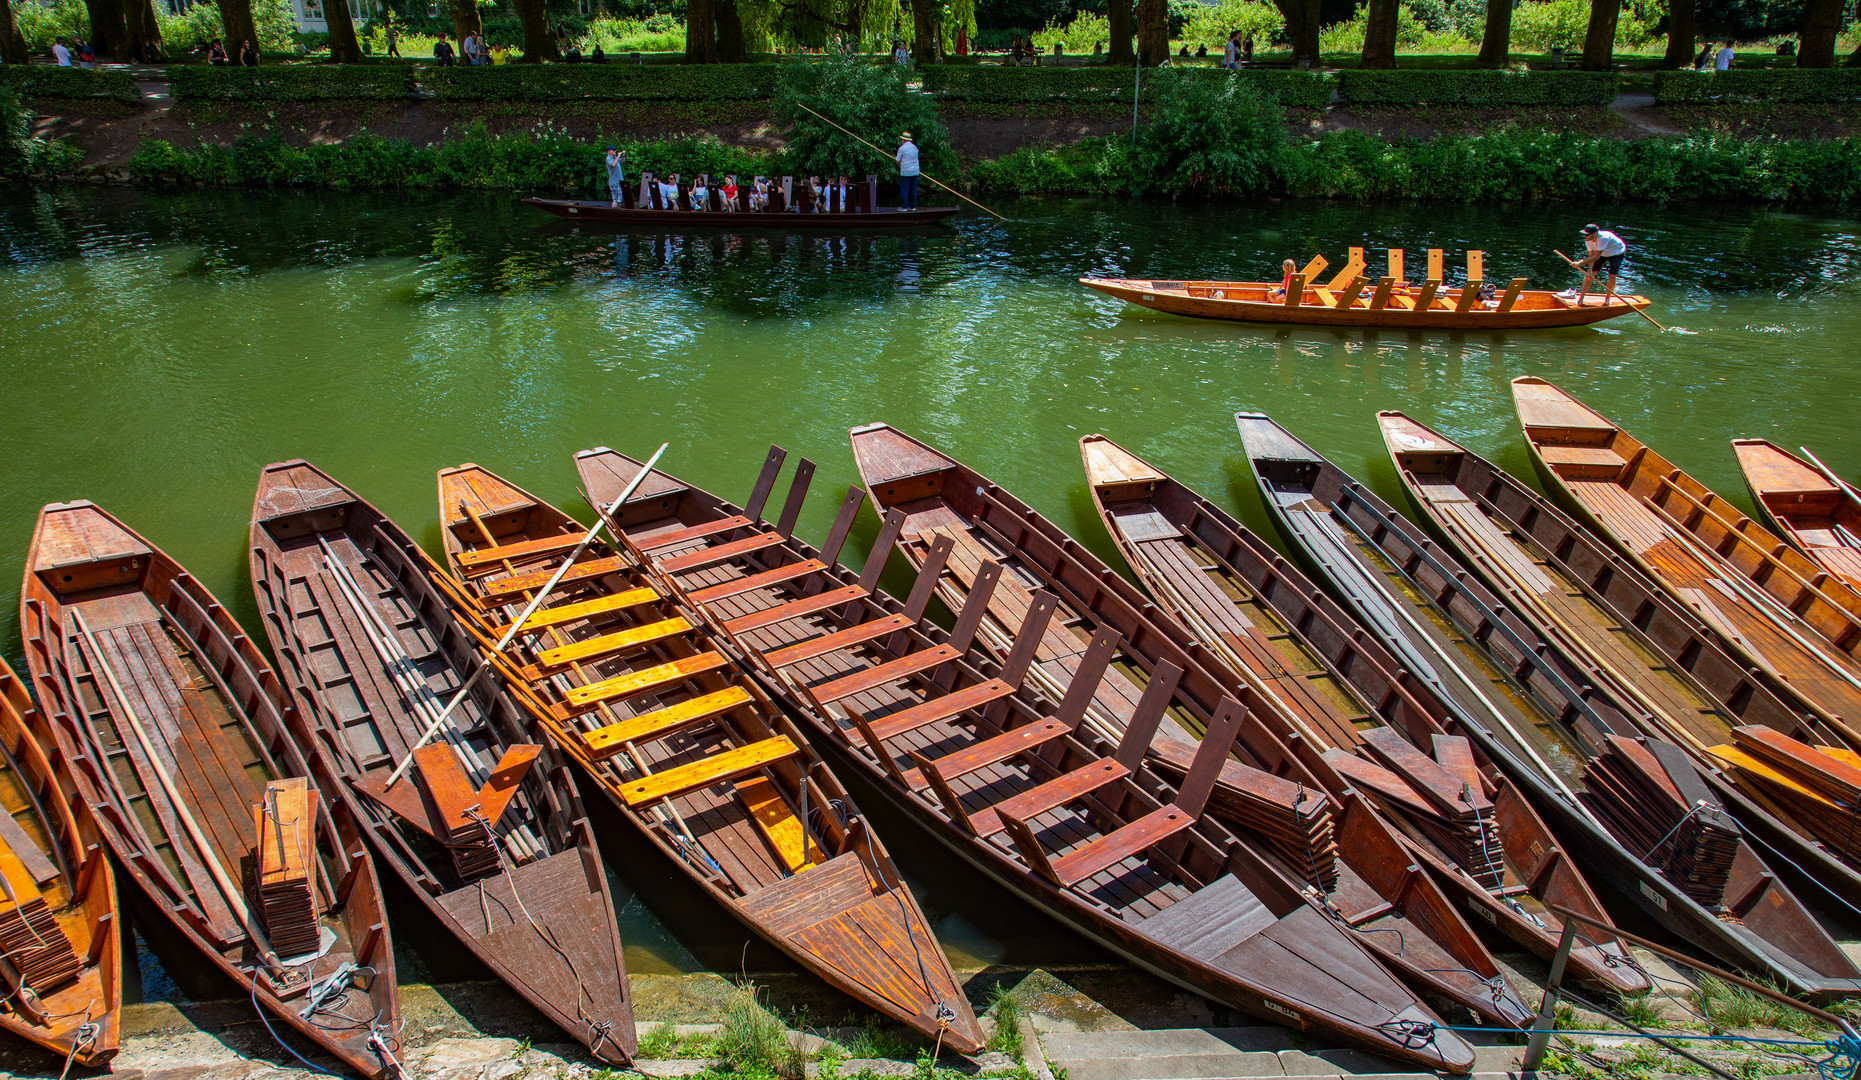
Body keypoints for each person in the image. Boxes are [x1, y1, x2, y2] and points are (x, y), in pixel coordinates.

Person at [1570, 223, 1626, 306]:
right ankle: (1581, 299)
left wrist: (1579, 263)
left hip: (1616, 253)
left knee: (1612, 275)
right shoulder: (1588, 240)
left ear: (1595, 234)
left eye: (1587, 235)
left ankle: (1608, 299)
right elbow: (1591, 256)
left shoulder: (1603, 238)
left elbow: (1596, 257)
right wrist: (1589, 271)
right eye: (1584, 235)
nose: (1585, 237)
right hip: (1602, 253)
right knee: (1589, 275)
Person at [895, 131, 920, 211]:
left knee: (904, 189)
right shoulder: (915, 148)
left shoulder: (901, 149)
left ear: (904, 140)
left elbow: (898, 160)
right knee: (913, 189)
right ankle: (913, 206)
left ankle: (904, 207)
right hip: (915, 171)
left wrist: (898, 162)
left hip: (906, 172)